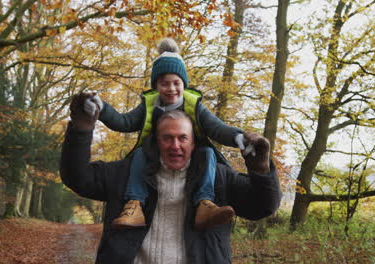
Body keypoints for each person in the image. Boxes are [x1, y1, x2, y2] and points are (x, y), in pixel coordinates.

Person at [61, 101, 282, 263]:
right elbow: (78, 178)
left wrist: (260, 168)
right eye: (167, 138)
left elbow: (262, 206)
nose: (175, 145)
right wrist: (81, 130)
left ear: (193, 143)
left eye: (182, 138)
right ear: (157, 142)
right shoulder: (127, 173)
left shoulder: (218, 178)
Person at [84, 38, 250, 230]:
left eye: (176, 83)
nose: (171, 89)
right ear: (156, 86)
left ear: (183, 84)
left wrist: (238, 137)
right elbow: (125, 122)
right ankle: (135, 205)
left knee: (208, 154)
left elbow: (217, 128)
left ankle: (205, 203)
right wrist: (102, 109)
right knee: (139, 154)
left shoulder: (194, 105)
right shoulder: (149, 104)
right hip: (156, 153)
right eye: (164, 83)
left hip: (191, 154)